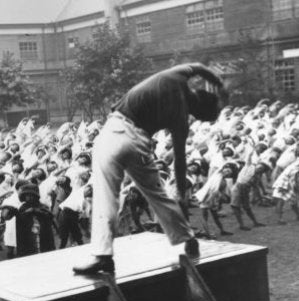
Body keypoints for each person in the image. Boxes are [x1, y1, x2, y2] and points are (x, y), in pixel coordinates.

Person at [73, 63, 227, 275]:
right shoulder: (181, 120)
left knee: (106, 194)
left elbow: (199, 67)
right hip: (140, 144)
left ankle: (103, 255)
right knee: (158, 195)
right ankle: (188, 239)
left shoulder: (178, 76)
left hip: (117, 129)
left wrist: (219, 84)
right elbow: (180, 162)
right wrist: (182, 194)